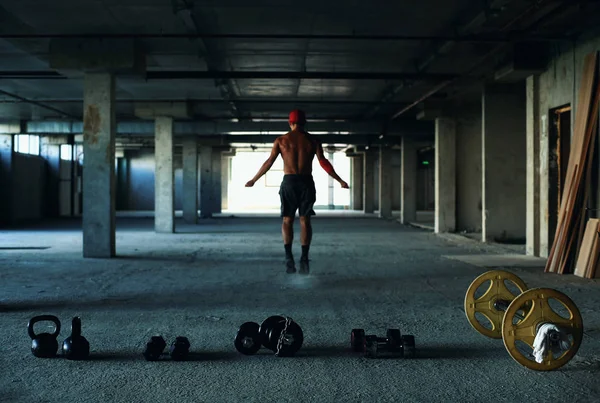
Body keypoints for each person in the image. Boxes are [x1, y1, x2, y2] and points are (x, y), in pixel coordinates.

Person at [245, 109, 349, 274]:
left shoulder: (281, 141)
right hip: (306, 182)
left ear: (289, 122)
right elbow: (323, 162)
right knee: (305, 221)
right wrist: (340, 180)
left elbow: (269, 162)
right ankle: (304, 259)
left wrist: (254, 179)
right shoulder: (313, 140)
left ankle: (288, 258)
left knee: (287, 220)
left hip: (289, 182)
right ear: (305, 122)